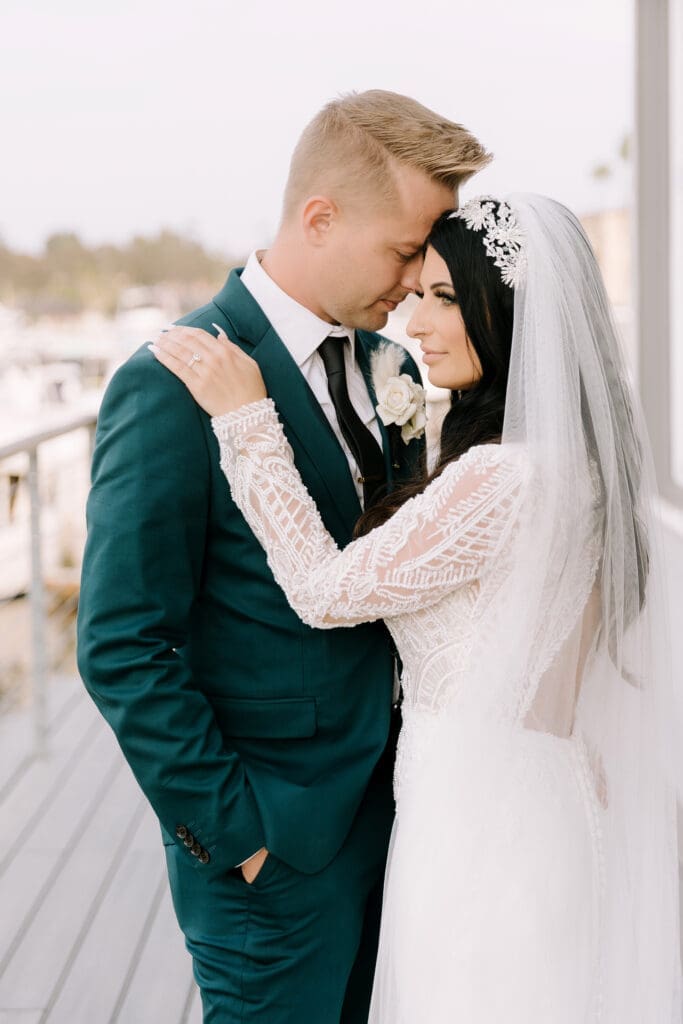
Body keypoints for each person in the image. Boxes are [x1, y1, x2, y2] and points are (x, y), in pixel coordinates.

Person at [151, 193, 682, 1022]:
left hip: (481, 824)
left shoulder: (500, 477)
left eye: (443, 297)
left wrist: (247, 421)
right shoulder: (579, 464)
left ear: (508, 313)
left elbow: (325, 592)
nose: (416, 322)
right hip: (544, 793)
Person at [76, 90, 490, 1023]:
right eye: (403, 250)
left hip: (402, 819)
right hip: (271, 849)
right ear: (320, 217)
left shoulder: (387, 366)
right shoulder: (171, 384)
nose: (414, 279)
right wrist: (237, 836)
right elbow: (121, 643)